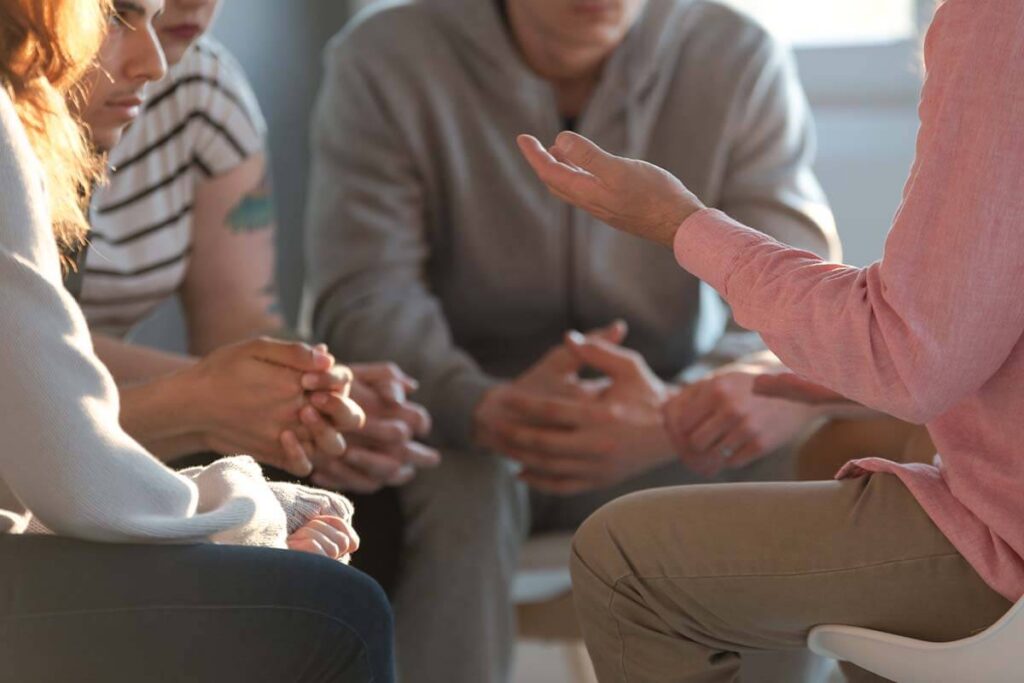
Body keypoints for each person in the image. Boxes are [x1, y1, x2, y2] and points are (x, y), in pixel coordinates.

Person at [306, 0, 840, 679]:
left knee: (785, 455)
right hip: (461, 426)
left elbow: (797, 294)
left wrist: (677, 412)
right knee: (453, 487)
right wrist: (475, 404)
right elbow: (363, 292)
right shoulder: (384, 57)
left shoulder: (736, 55)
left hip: (661, 423)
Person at [517, 0, 1022, 680]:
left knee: (625, 562)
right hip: (490, 425)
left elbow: (915, 352)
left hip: (1006, 539)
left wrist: (682, 225)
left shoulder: (996, 20)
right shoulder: (394, 55)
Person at [0, 0, 393, 679]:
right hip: (60, 464)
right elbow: (62, 458)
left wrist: (300, 396)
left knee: (377, 498)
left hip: (51, 468)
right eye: (119, 14)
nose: (151, 58)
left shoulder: (205, 90)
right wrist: (252, 518)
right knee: (336, 610)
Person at [77, 0, 439, 495]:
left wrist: (312, 397)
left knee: (395, 485)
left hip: (105, 424)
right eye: (121, 14)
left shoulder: (201, 88)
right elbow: (28, 347)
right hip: (59, 427)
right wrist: (213, 394)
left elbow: (239, 324)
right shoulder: (26, 109)